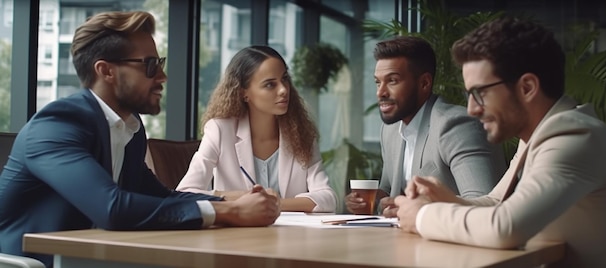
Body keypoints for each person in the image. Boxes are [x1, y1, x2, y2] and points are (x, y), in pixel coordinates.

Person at [0, 11, 280, 267]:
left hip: (89, 259)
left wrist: (243, 203)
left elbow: (162, 197)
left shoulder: (129, 129)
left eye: (159, 63)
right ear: (106, 71)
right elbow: (112, 209)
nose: (163, 76)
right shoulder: (57, 125)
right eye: (149, 66)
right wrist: (229, 212)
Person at [395, 17, 606, 267]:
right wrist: (446, 198)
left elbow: (505, 226)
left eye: (479, 94)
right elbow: (497, 203)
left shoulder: (574, 138)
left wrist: (421, 216)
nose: (471, 109)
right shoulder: (540, 135)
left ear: (527, 87)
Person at [345, 36, 506, 216]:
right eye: (377, 82)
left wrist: (420, 209)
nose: (380, 92)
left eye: (392, 81)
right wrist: (368, 201)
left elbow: (484, 203)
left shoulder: (456, 126)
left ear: (424, 83)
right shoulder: (390, 130)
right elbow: (389, 190)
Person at [176, 45, 336, 213]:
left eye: (285, 79)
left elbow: (327, 197)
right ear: (243, 93)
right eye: (270, 85)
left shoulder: (301, 133)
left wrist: (274, 203)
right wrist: (246, 198)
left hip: (290, 236)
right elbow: (186, 192)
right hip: (237, 237)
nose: (283, 90)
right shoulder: (220, 130)